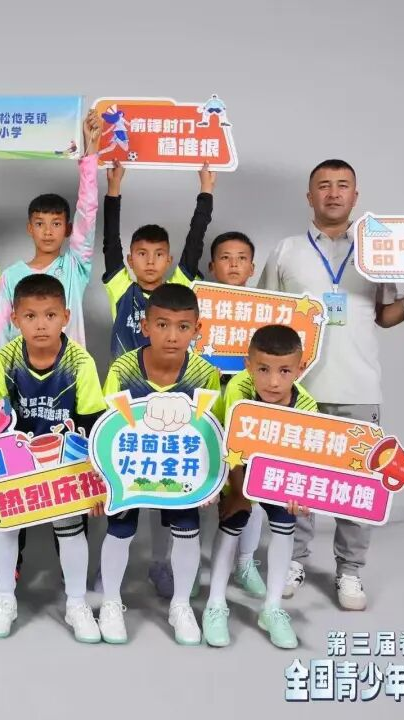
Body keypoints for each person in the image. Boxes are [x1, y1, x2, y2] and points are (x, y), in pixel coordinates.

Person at [259, 159, 404, 609]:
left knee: (359, 487)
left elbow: (385, 316)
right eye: (323, 186)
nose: (333, 193)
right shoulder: (286, 250)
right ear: (310, 197)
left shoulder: (376, 253)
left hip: (359, 388)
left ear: (355, 196)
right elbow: (266, 317)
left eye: (342, 185)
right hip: (299, 390)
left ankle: (350, 571)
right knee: (297, 483)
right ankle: (293, 561)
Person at [102, 162, 215, 597]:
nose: (150, 261)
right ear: (131, 259)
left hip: (176, 404)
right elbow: (109, 241)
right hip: (129, 405)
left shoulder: (181, 288)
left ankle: (161, 564)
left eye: (158, 254)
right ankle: (111, 576)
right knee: (129, 487)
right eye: (141, 254)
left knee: (169, 486)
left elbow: (195, 240)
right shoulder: (120, 287)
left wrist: (205, 191)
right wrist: (114, 189)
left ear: (169, 260)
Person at [96, 284, 221, 645]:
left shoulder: (205, 373)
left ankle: (180, 605)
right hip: (131, 468)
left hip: (179, 469)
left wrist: (211, 481)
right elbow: (108, 427)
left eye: (183, 327)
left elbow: (209, 434)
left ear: (197, 329)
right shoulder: (123, 368)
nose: (172, 336)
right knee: (120, 527)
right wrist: (105, 476)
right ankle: (110, 602)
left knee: (187, 527)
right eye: (162, 325)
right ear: (145, 326)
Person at [0, 275, 106, 642]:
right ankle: (5, 600)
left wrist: (97, 479)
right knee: (4, 524)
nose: (41, 325)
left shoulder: (80, 362)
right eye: (31, 316)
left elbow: (92, 423)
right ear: (15, 319)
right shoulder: (4, 360)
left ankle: (76, 603)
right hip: (17, 462)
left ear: (65, 317)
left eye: (50, 315)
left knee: (71, 528)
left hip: (65, 463)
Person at [203, 325, 314, 649]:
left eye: (284, 371)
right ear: (248, 365)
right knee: (233, 522)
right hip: (238, 464)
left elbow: (306, 459)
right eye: (263, 370)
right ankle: (215, 604)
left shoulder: (306, 404)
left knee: (285, 524)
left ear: (300, 369)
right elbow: (230, 446)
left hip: (278, 470)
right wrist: (238, 494)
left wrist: (299, 493)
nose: (273, 381)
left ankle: (272, 608)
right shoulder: (238, 389)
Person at [0, 110, 101, 358]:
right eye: (40, 224)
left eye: (56, 224)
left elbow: (87, 211)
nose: (48, 231)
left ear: (68, 229)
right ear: (30, 228)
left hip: (68, 372)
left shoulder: (74, 267)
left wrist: (91, 148)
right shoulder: (11, 276)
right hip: (21, 375)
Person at [201, 230, 269, 600]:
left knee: (251, 485)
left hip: (251, 409)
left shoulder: (268, 310)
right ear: (212, 266)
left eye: (242, 258)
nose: (233, 265)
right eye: (225, 258)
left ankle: (245, 562)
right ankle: (190, 565)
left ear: (252, 268)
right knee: (205, 484)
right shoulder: (199, 308)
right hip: (208, 408)